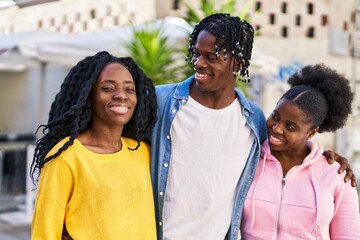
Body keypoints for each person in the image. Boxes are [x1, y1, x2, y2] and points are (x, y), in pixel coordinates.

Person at [150, 13, 356, 240]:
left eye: (210, 56)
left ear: (237, 63)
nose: (198, 62)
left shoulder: (252, 120)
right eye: (196, 54)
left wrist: (329, 161)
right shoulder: (161, 102)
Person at [31, 51, 158, 239]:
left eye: (129, 89)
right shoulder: (66, 157)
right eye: (107, 88)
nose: (121, 95)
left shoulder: (142, 152)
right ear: (88, 97)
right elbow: (44, 232)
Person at [240, 64, 360, 239]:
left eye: (290, 126)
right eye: (275, 116)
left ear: (311, 132)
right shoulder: (249, 159)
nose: (276, 128)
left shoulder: (336, 174)